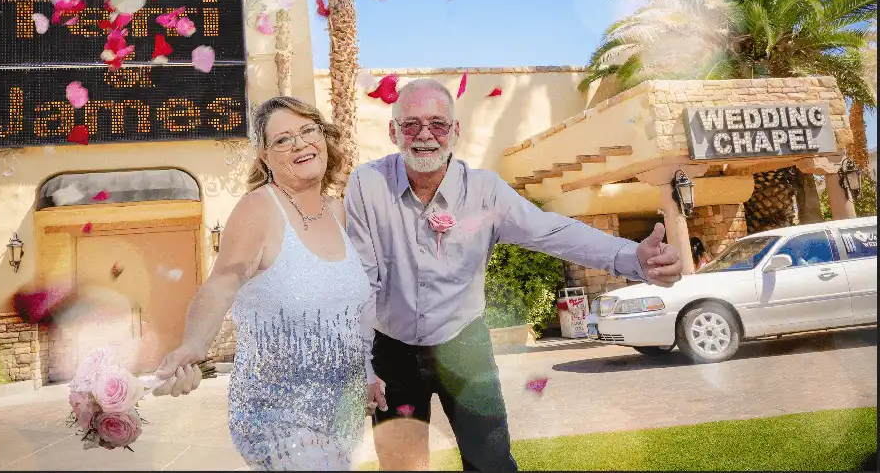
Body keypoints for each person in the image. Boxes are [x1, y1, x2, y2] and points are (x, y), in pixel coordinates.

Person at [344, 78, 684, 471]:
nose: (425, 136)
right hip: (392, 349)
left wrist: (632, 257)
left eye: (438, 124)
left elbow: (551, 231)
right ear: (393, 132)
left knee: (492, 463)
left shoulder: (486, 191)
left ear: (455, 131)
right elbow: (362, 280)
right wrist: (363, 364)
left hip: (464, 346)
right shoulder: (367, 184)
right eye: (411, 125)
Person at [153, 96, 371, 471]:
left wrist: (370, 371)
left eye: (308, 131)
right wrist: (194, 344)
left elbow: (351, 313)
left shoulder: (339, 212)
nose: (301, 144)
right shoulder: (260, 208)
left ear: (324, 138)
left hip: (341, 413)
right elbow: (224, 280)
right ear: (265, 158)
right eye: (283, 140)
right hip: (277, 412)